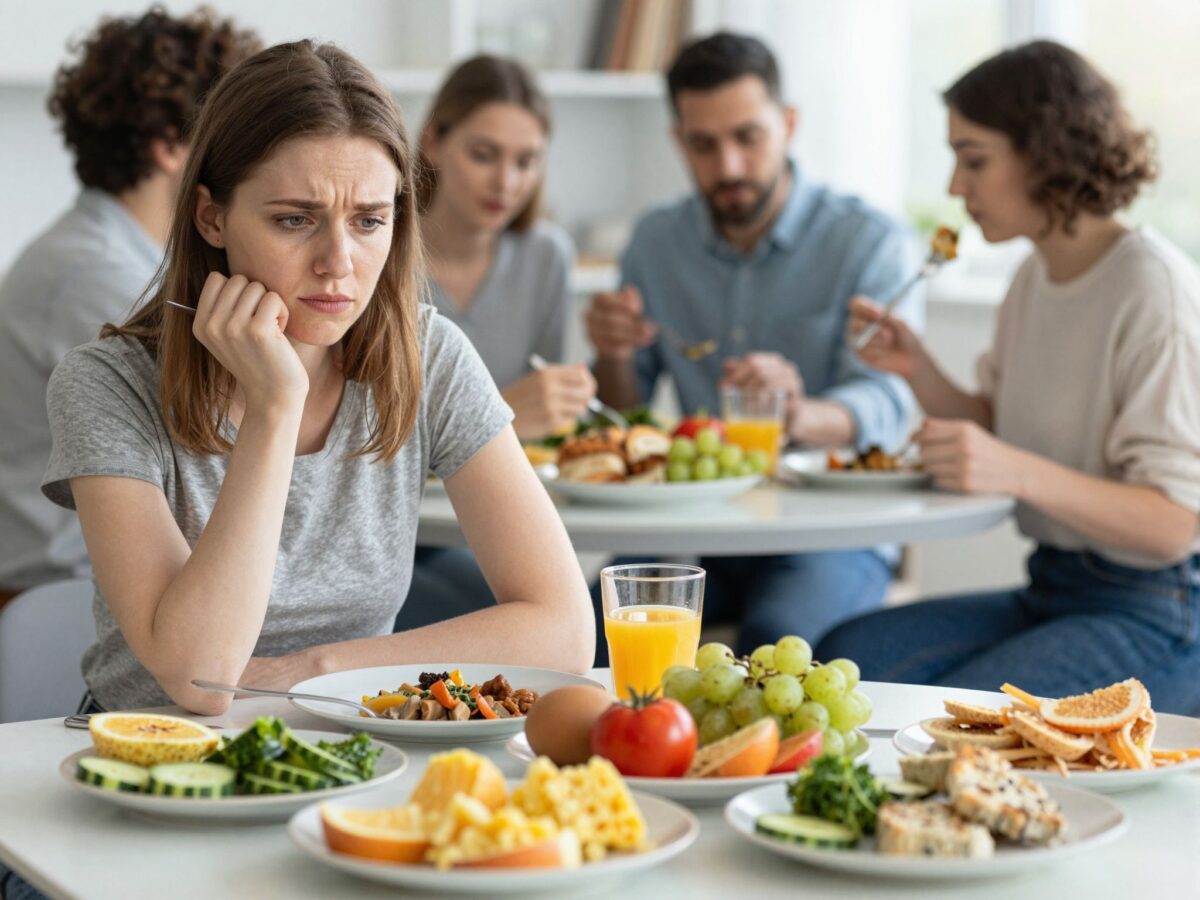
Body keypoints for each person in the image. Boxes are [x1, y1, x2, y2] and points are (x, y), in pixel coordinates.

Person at [40, 40, 595, 718]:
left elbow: (564, 630)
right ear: (211, 216)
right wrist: (275, 410)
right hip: (155, 761)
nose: (339, 262)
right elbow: (201, 678)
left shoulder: (428, 356)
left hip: (356, 747)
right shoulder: (105, 386)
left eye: (369, 221)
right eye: (295, 220)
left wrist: (315, 669)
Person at [816, 41, 1200, 715]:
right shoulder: (1035, 276)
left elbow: (1174, 522)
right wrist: (917, 370)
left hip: (1158, 608)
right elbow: (1000, 426)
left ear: (1047, 153)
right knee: (849, 659)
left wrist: (1017, 472)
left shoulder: (1152, 292)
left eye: (973, 160)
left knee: (952, 723)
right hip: (1052, 587)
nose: (955, 187)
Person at [585, 32, 923, 659]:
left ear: (788, 123)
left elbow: (890, 400)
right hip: (689, 529)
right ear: (678, 140)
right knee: (585, 639)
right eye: (704, 145)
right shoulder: (655, 242)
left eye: (748, 137)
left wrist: (798, 414)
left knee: (778, 651)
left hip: (830, 535)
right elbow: (622, 411)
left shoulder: (867, 241)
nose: (729, 167)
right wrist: (611, 353)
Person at [0, 7, 260, 612]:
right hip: (53, 598)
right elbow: (212, 448)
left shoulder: (117, 251)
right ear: (173, 147)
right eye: (243, 142)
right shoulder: (97, 275)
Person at [395, 55, 595, 631]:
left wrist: (561, 408)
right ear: (433, 141)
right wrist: (506, 415)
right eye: (484, 155)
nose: (506, 182)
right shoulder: (376, 248)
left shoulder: (546, 255)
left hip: (491, 524)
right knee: (550, 624)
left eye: (525, 161)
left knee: (578, 618)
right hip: (402, 532)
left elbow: (548, 441)